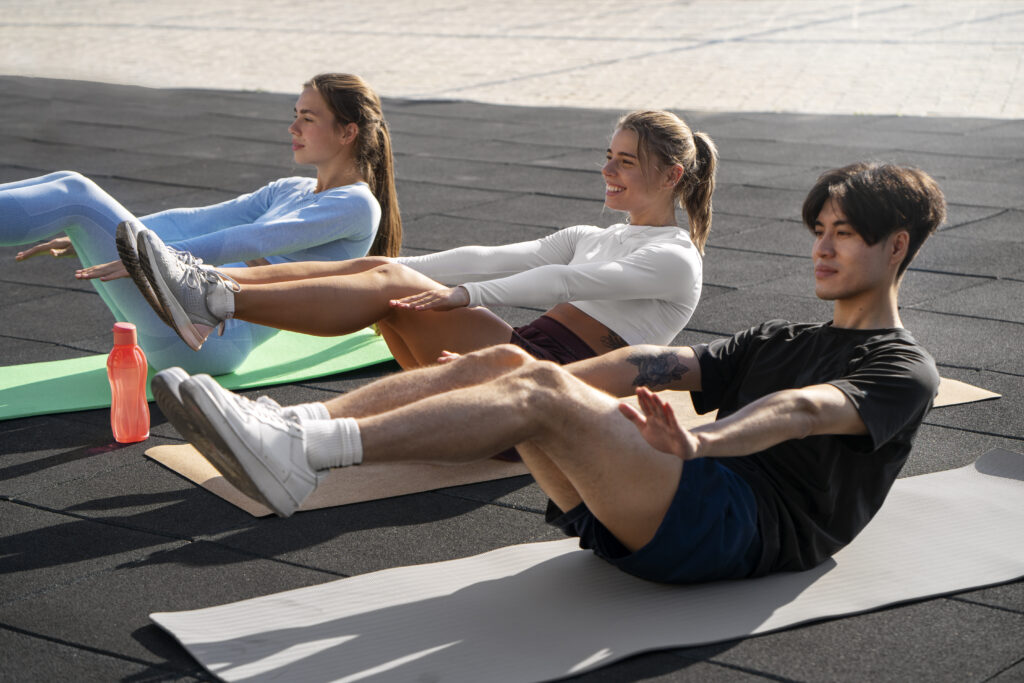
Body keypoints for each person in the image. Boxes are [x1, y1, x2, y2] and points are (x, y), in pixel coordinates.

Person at [151, 161, 945, 584]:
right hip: (660, 509)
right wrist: (493, 381)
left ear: (897, 246)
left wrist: (706, 445)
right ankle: (297, 433)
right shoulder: (783, 334)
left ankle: (299, 455)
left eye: (844, 233)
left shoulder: (902, 366)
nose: (823, 246)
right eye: (821, 230)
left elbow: (805, 411)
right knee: (508, 364)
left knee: (536, 384)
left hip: (736, 528)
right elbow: (652, 360)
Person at [124, 110, 718, 369]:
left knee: (391, 282)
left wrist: (464, 297)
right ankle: (210, 286)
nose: (609, 172)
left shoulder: (674, 258)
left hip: (552, 381)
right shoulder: (594, 234)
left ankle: (216, 300)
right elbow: (490, 254)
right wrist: (392, 263)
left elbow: (562, 281)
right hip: (515, 356)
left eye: (627, 162)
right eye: (608, 158)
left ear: (671, 176)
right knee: (380, 272)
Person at [2, 73, 401, 375]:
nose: (293, 128)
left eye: (308, 118)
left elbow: (247, 239)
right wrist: (89, 241)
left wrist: (153, 258)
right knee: (67, 185)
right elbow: (196, 219)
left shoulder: (355, 205)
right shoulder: (291, 189)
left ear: (348, 132)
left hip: (210, 340)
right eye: (295, 115)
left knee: (74, 192)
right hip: (182, 322)